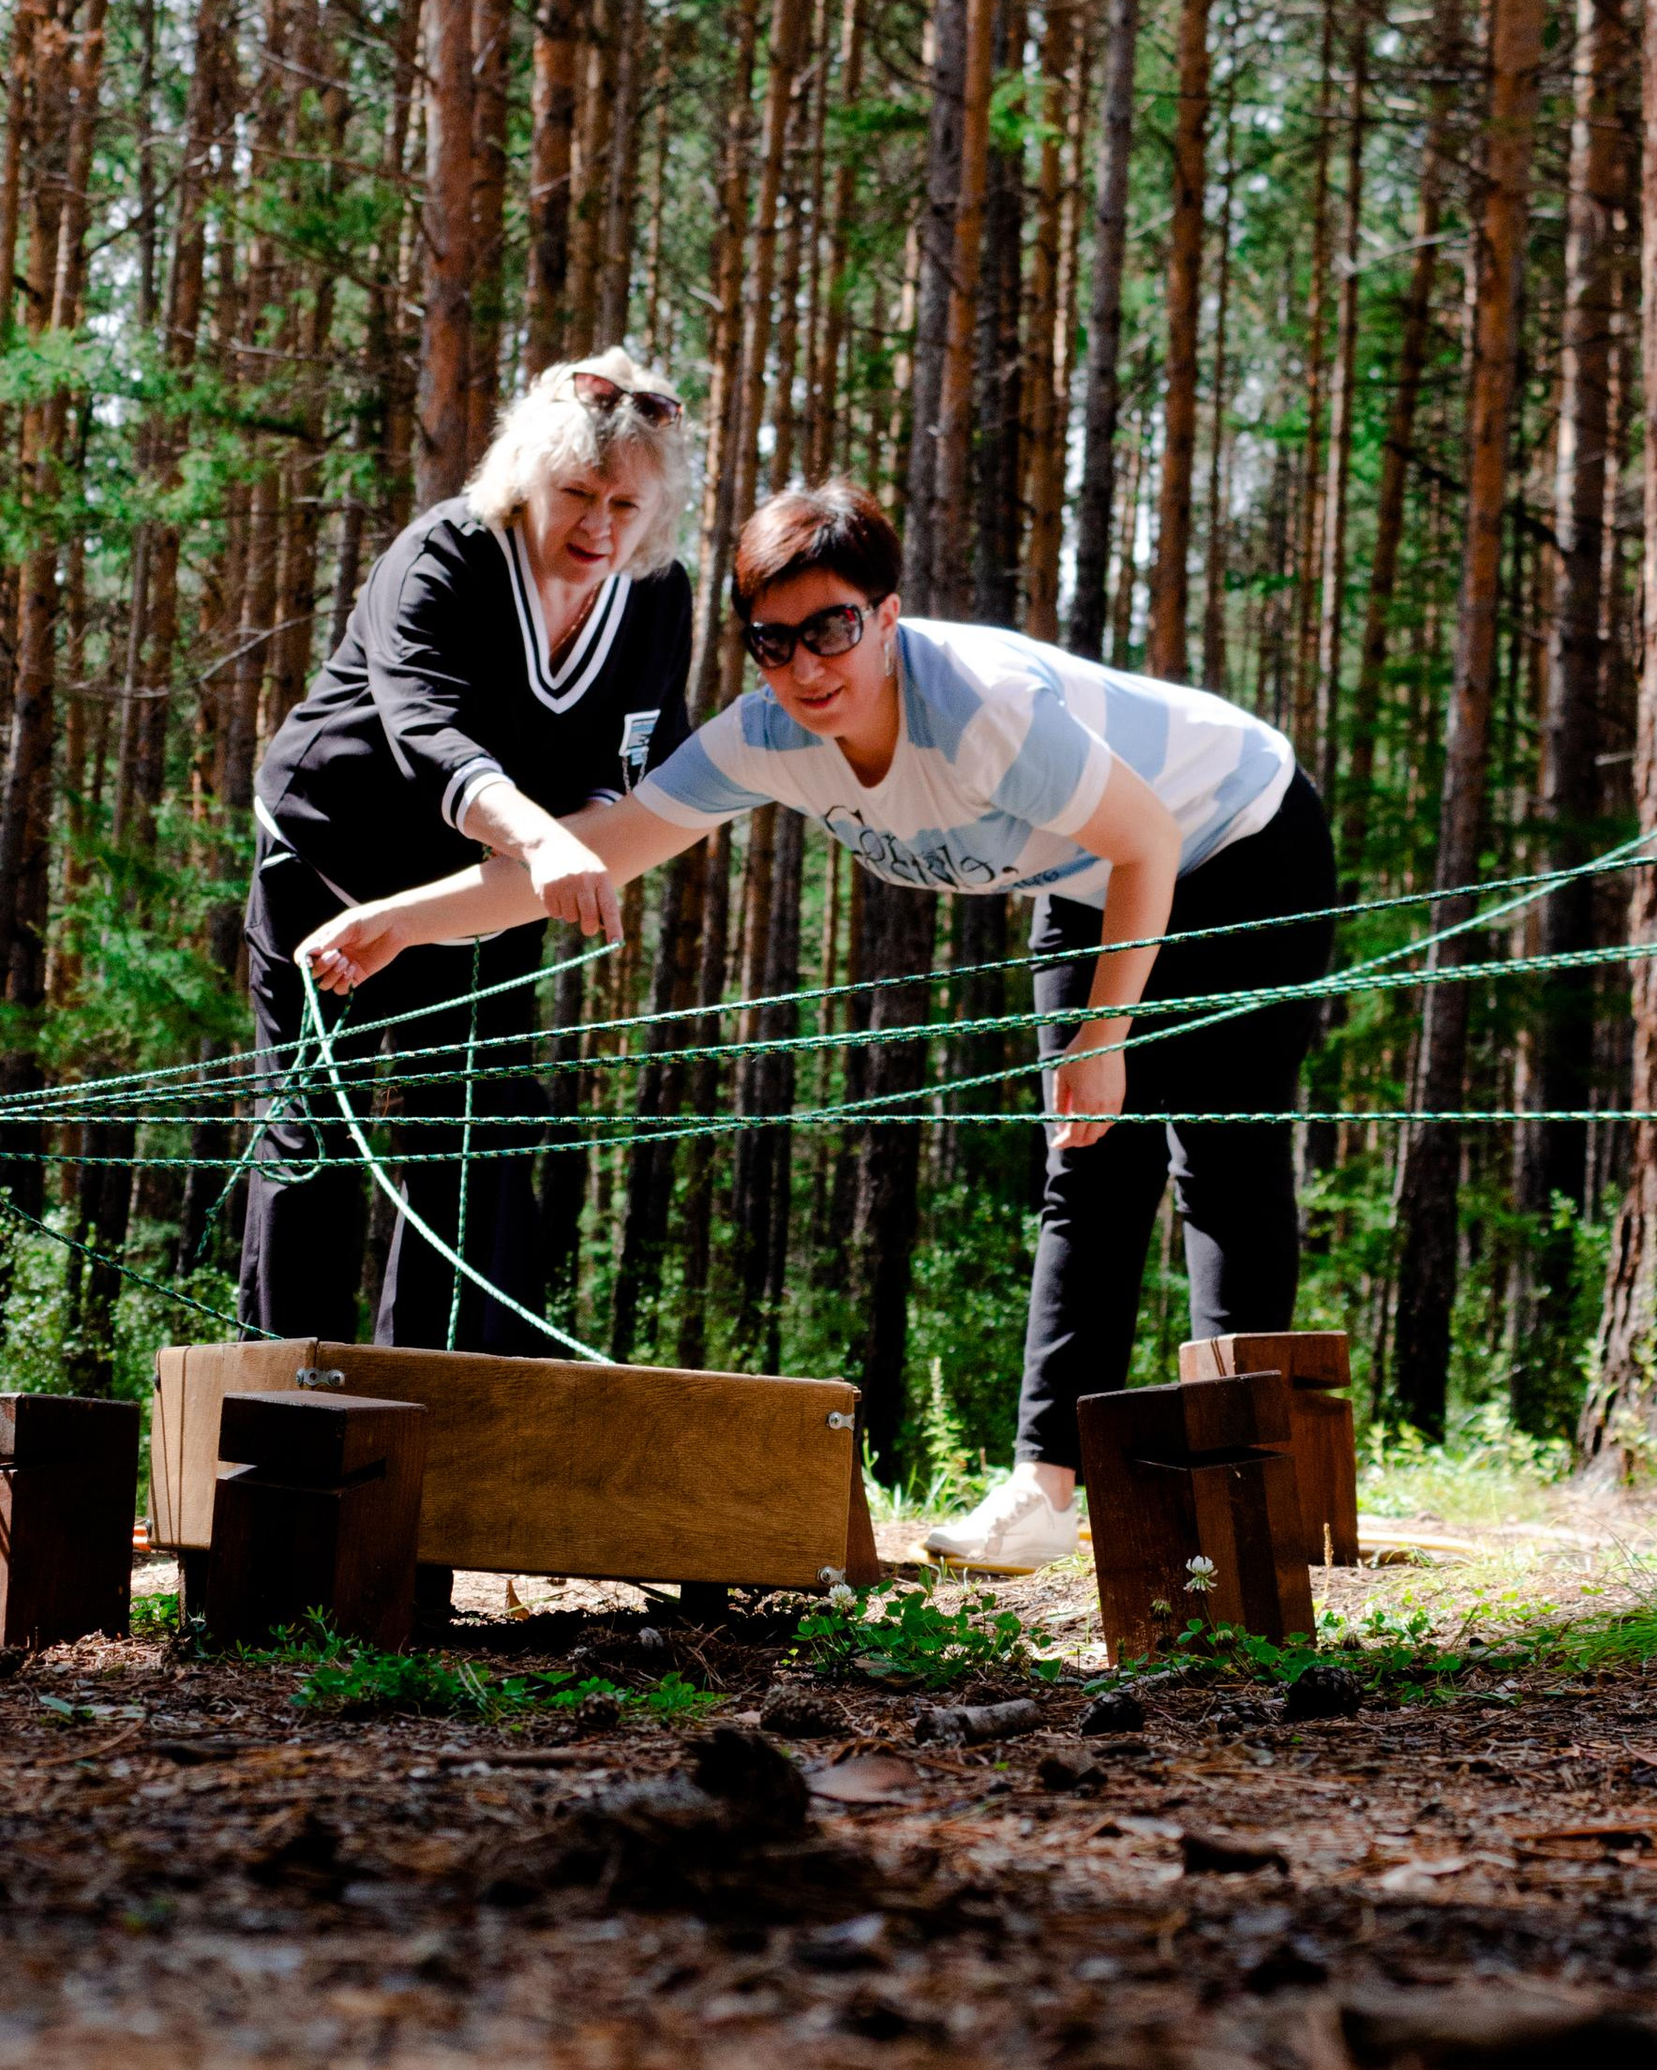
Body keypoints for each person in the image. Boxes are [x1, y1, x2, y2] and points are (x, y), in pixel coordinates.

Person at [301, 476, 1337, 1567]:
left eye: (833, 629)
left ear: (887, 616)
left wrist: (1103, 1037)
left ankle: (1241, 1479)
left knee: (1218, 1153)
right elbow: (600, 851)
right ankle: (1041, 1488)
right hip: (1087, 880)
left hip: (1236, 838)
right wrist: (401, 923)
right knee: (1083, 1162)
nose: (806, 668)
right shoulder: (765, 736)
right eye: (773, 641)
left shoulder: (982, 710)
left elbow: (1146, 844)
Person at [244, 347, 695, 1352]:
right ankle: (279, 1401)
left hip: (487, 891)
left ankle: (439, 1410)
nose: (598, 525)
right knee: (314, 1131)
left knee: (479, 1136)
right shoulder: (444, 553)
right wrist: (543, 839)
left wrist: (568, 839)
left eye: (625, 505)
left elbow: (636, 749)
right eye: (576, 494)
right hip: (332, 864)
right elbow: (425, 731)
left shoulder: (660, 595)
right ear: (523, 476)